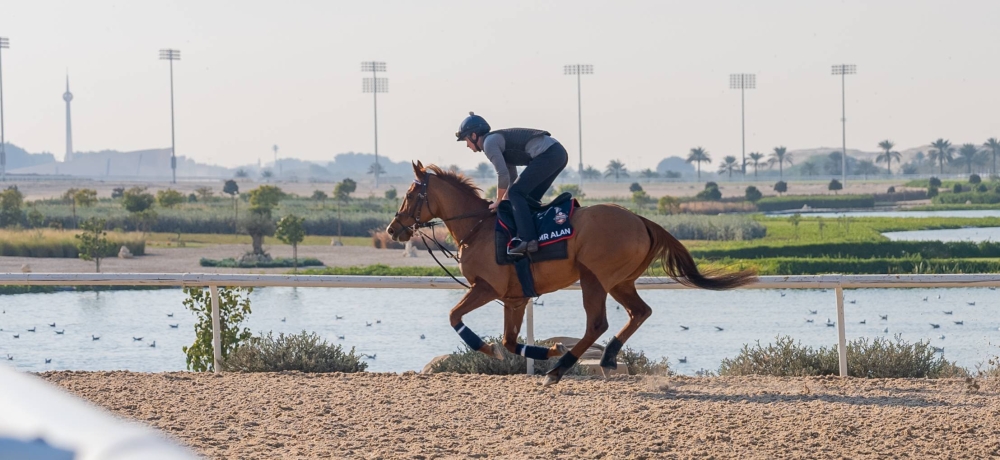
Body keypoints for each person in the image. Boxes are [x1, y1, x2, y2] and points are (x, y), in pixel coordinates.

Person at [456, 112, 568, 255]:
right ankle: (539, 236)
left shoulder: (489, 144)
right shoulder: (496, 143)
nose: (467, 145)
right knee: (526, 198)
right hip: (557, 154)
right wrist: (506, 200)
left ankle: (529, 240)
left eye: (466, 140)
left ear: (474, 135)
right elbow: (511, 177)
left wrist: (498, 201)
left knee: (516, 193)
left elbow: (502, 175)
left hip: (550, 154)